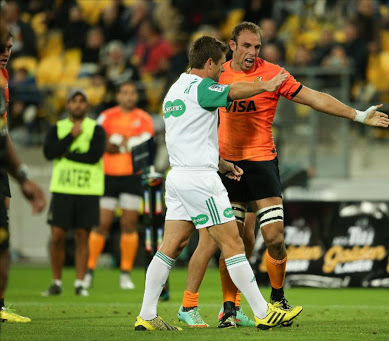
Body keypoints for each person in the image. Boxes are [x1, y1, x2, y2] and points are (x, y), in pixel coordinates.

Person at [178, 21, 389, 328]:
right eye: (247, 46)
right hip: (227, 167)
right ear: (233, 45)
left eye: (258, 47)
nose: (253, 52)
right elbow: (188, 102)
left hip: (262, 162)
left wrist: (357, 115)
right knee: (233, 241)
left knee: (274, 238)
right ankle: (229, 308)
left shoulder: (274, 74)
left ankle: (277, 299)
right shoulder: (218, 74)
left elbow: (315, 98)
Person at [134, 35, 303, 331]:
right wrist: (264, 85)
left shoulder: (174, 90)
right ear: (209, 62)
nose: (221, 72)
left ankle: (146, 314)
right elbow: (233, 91)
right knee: (233, 243)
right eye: (219, 66)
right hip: (200, 180)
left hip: (178, 176)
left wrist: (222, 164)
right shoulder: (202, 88)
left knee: (171, 245)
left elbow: (188, 134)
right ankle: (264, 311)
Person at [84, 80, 154, 290]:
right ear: (118, 96)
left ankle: (125, 273)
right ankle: (88, 272)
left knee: (129, 224)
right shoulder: (107, 116)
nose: (129, 96)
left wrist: (120, 143)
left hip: (132, 177)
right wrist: (119, 144)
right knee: (102, 224)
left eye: (132, 92)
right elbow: (98, 141)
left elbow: (146, 146)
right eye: (125, 92)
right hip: (108, 176)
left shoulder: (144, 118)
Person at [0, 29, 46, 323]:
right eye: (1, 48)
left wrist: (17, 170)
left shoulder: (4, 78)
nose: (6, 52)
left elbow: (3, 131)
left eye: (9, 47)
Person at [41, 89, 106, 297]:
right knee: (57, 236)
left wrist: (67, 154)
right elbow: (49, 153)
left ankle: (79, 283)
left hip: (87, 190)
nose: (78, 105)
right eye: (74, 101)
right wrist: (71, 137)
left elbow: (94, 156)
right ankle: (56, 282)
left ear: (87, 106)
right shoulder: (57, 128)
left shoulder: (96, 129)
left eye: (82, 101)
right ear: (68, 104)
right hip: (63, 189)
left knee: (82, 236)